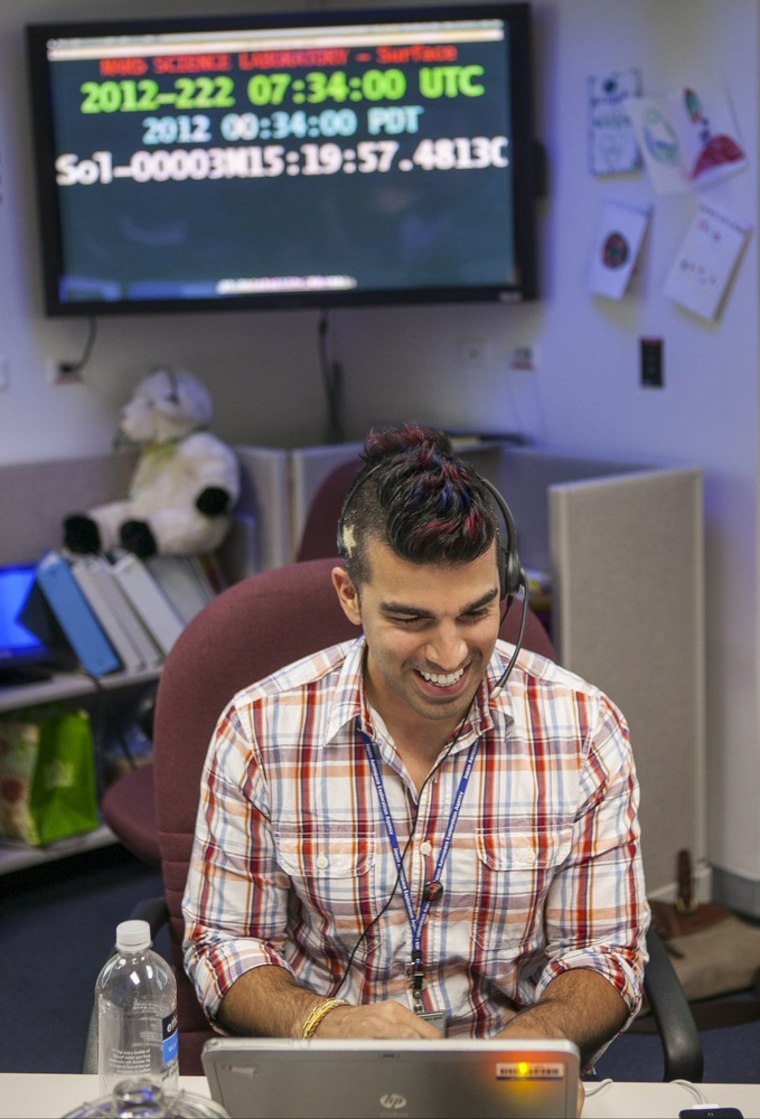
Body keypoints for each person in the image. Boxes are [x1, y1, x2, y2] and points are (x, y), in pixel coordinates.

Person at [182, 423, 650, 1071]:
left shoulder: (584, 727)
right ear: (351, 596)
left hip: (507, 1080)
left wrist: (522, 1046)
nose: (451, 654)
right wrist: (324, 1022)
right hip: (326, 1074)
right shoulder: (259, 728)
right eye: (412, 619)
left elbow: (606, 953)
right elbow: (224, 942)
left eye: (476, 612)